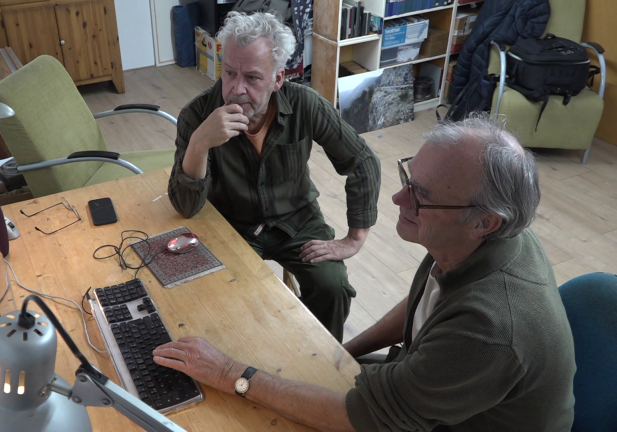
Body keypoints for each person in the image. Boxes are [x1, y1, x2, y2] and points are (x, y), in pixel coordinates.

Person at [154, 115, 576, 431]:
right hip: (434, 390)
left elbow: (366, 417)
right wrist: (343, 353)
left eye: (420, 195)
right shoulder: (479, 238)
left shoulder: (489, 329)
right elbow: (426, 302)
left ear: (485, 222)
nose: (396, 197)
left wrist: (232, 375)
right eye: (409, 178)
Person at [167, 12, 381, 342]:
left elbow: (362, 161)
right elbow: (185, 208)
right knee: (217, 297)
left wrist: (354, 239)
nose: (236, 89)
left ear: (278, 79)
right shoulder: (197, 114)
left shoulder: (305, 104)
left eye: (252, 78)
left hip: (296, 220)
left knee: (332, 287)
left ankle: (323, 369)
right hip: (231, 224)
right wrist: (199, 144)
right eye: (229, 73)